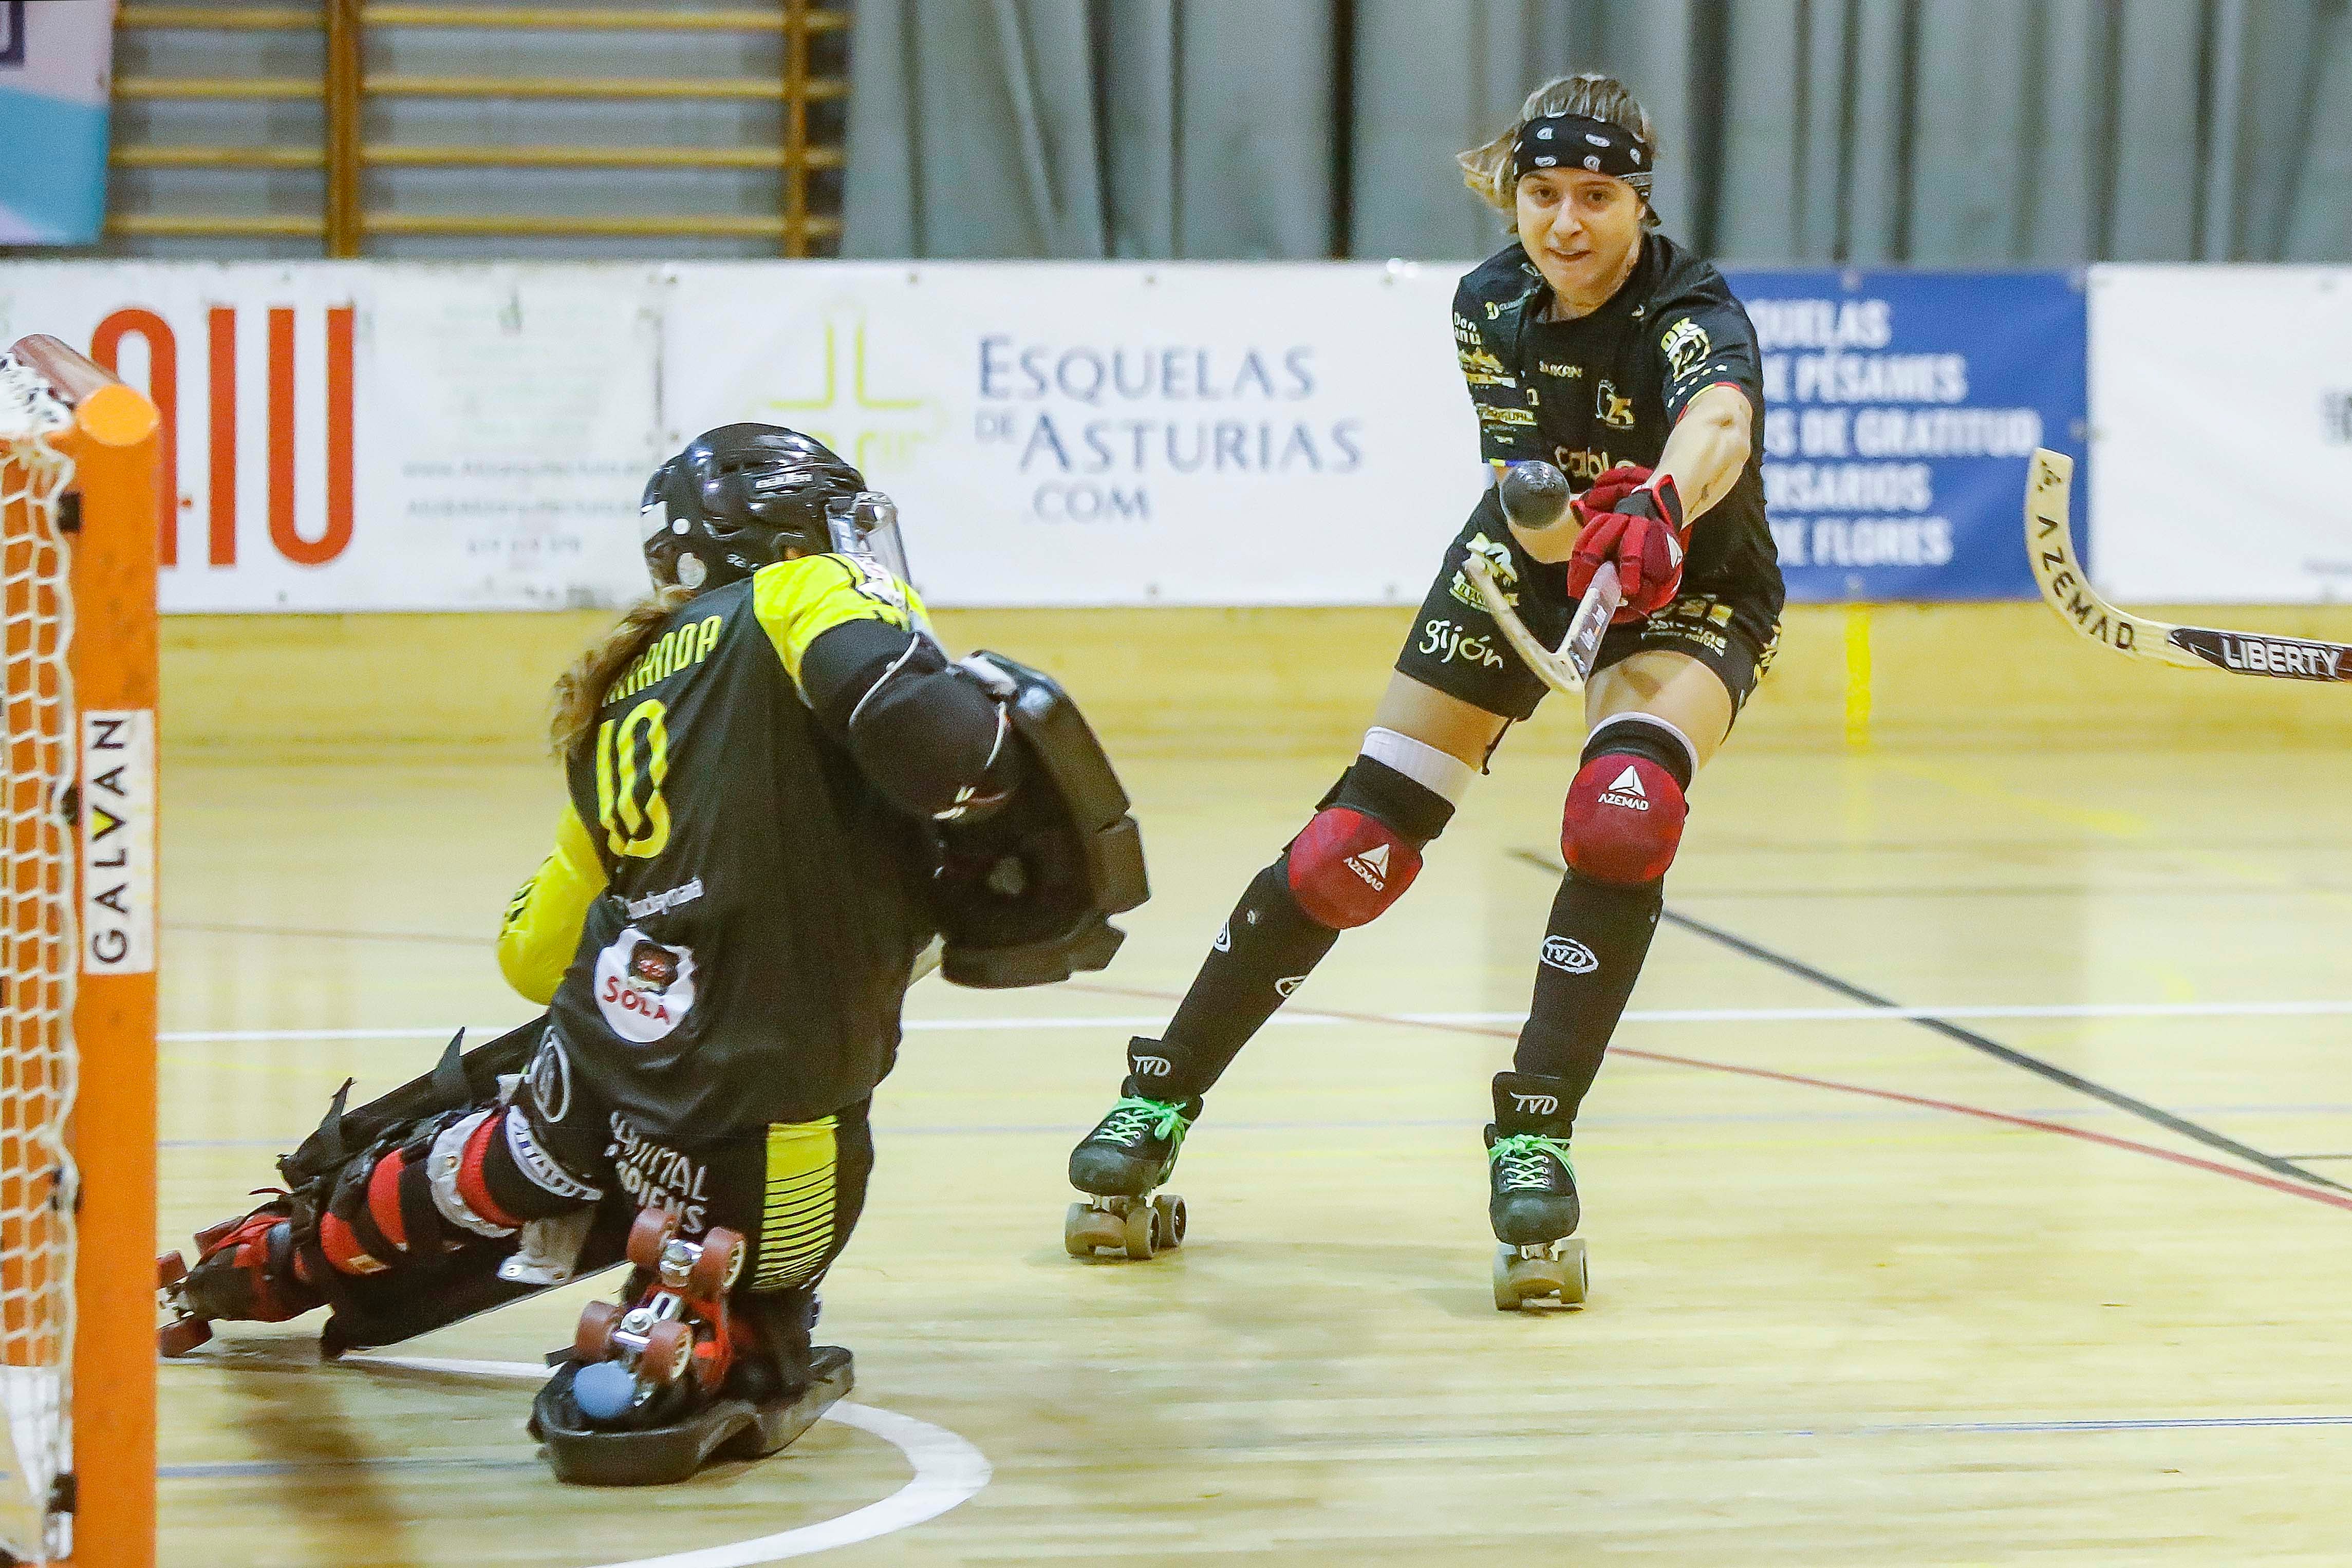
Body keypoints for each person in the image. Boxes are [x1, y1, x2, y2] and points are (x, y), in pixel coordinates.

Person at [160, 424, 1145, 1479]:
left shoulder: (621, 694)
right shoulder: (800, 592)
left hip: (603, 1073)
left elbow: (533, 955)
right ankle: (710, 1312)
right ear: (780, 534)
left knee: (516, 1138)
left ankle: (280, 1252)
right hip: (773, 1083)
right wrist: (994, 776)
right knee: (775, 1253)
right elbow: (937, 741)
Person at [1063, 72, 1783, 1303]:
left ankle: (1534, 1133)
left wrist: (1659, 503)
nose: (1565, 225)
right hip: (1540, 565)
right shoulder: (1488, 303)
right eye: (1542, 195)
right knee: (1352, 845)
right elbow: (1535, 512)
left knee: (1623, 812)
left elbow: (1719, 421)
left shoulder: (1690, 306)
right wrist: (1576, 537)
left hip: (1693, 578)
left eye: (1596, 198)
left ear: (1639, 203)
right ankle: (1155, 1098)